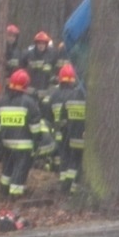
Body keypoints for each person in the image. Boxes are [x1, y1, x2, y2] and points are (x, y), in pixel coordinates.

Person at [0, 69, 42, 198]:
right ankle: (15, 194)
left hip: (6, 143)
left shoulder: (2, 101)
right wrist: (37, 141)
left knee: (7, 167)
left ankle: (4, 190)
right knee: (20, 168)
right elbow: (35, 127)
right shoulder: (29, 102)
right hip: (23, 145)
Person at [47, 64, 86, 193]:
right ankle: (71, 186)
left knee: (64, 158)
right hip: (77, 133)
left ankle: (64, 183)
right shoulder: (78, 96)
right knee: (76, 160)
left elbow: (48, 115)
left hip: (61, 132)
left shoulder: (54, 95)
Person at [21, 31, 56, 99]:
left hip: (45, 88)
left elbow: (54, 70)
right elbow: (21, 67)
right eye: (39, 43)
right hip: (31, 90)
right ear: (36, 44)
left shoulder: (51, 55)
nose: (41, 45)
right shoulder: (29, 54)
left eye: (43, 43)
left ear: (46, 44)